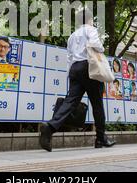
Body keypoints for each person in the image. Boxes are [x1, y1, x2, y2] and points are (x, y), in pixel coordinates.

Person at [39, 8, 116, 152]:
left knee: (70, 102)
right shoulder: (90, 29)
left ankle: (49, 128)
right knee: (97, 104)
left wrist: (71, 75)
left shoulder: (72, 36)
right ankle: (101, 138)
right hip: (89, 68)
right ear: (89, 20)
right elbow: (96, 45)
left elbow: (69, 58)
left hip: (74, 69)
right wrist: (101, 49)